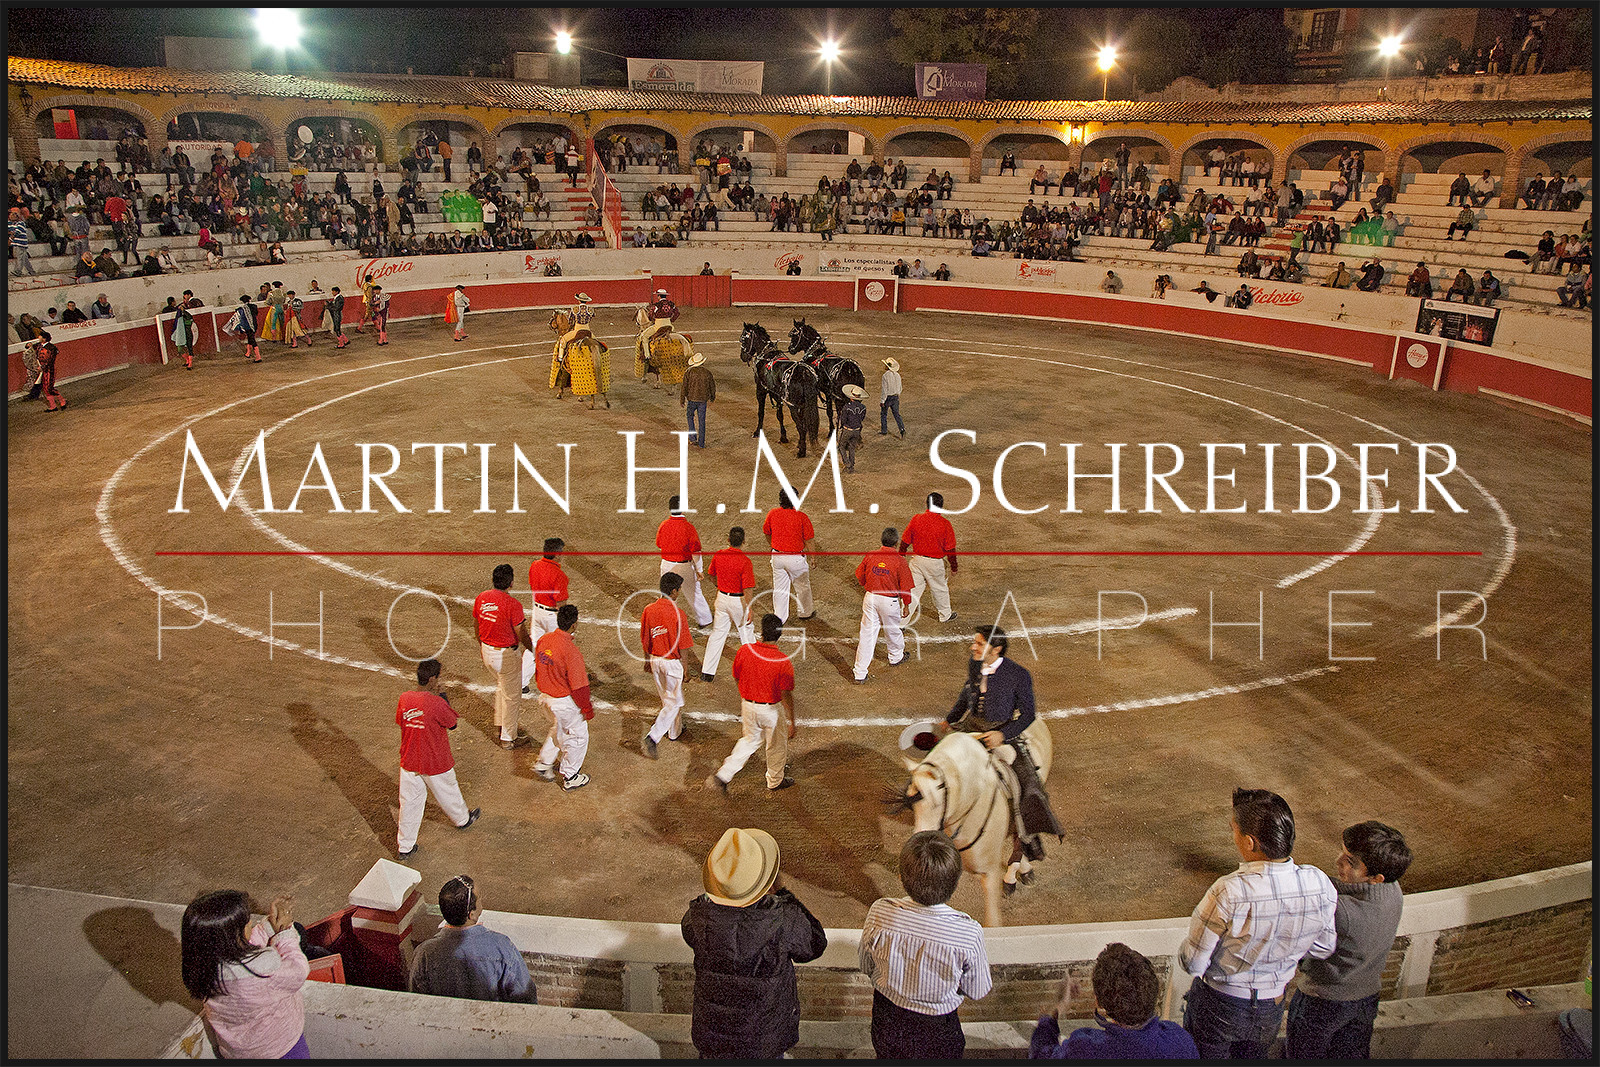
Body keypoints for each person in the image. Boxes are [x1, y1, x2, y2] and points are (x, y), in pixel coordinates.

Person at [1177, 788, 1337, 1059]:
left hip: (1220, 1003)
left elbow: (1193, 963)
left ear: (1250, 842)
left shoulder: (1228, 891)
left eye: (1234, 830)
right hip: (1271, 1006)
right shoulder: (1319, 883)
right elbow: (1323, 947)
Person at [681, 827, 827, 1058]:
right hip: (763, 1043)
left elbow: (694, 930)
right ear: (765, 882)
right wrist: (783, 894)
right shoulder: (782, 919)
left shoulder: (697, 917)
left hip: (713, 1041)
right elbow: (815, 944)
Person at [1284, 822, 1412, 1060]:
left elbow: (1298, 949)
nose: (1338, 861)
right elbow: (1349, 889)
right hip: (1366, 999)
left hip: (1322, 1002)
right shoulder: (1392, 889)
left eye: (1350, 862)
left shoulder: (1340, 912)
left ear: (1376, 877)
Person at [860, 830, 992, 1059]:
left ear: (900, 878)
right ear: (956, 883)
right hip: (938, 1028)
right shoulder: (968, 933)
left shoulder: (879, 912)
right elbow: (977, 990)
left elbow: (866, 964)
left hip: (888, 1019)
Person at [938, 625, 1061, 858]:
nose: (973, 647)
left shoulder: (1019, 675)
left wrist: (1002, 735)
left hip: (1000, 732)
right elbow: (967, 693)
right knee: (938, 761)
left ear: (996, 649)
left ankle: (1027, 840)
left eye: (979, 643)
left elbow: (1028, 715)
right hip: (971, 727)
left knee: (1028, 785)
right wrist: (951, 719)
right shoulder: (975, 663)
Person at [181, 890, 311, 1059]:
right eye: (247, 923)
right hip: (280, 1048)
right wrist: (284, 933)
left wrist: (270, 926)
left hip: (238, 1053)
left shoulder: (203, 966)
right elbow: (298, 970)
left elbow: (242, 946)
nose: (251, 924)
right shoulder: (262, 969)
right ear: (234, 935)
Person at [1030, 943, 1198, 1059]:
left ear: (1098, 1002)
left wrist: (1055, 1010)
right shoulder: (1180, 1042)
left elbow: (1039, 1055)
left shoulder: (1082, 1049)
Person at [395, 658, 481, 859]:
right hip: (434, 760)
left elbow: (401, 721)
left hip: (409, 760)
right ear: (432, 679)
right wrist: (442, 695)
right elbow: (452, 724)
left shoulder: (404, 698)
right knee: (449, 792)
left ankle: (405, 847)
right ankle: (462, 820)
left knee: (409, 803)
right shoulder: (436, 703)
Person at [409, 875, 536, 1004]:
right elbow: (526, 999)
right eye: (479, 899)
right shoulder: (502, 947)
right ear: (472, 914)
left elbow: (418, 1002)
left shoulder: (423, 953)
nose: (481, 902)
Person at [706, 613, 796, 793]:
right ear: (779, 635)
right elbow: (786, 694)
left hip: (748, 705)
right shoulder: (782, 661)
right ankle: (774, 781)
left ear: (762, 632)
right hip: (771, 711)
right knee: (777, 745)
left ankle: (724, 774)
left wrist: (746, 695)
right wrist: (792, 720)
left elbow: (737, 677)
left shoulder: (745, 651)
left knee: (749, 741)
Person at [532, 604, 593, 791]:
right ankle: (571, 776)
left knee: (559, 728)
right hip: (562, 702)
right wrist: (587, 709)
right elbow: (579, 687)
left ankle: (544, 763)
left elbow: (537, 667)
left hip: (545, 698)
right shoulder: (571, 651)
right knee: (578, 736)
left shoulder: (544, 640)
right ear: (574, 625)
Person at [473, 563, 534, 751]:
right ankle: (508, 738)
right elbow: (521, 633)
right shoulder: (513, 605)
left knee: (502, 688)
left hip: (487, 651)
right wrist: (533, 649)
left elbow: (476, 623)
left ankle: (501, 725)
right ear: (511, 583)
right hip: (506, 656)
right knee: (512, 697)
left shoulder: (482, 598)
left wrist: (482, 644)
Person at [641, 572, 694, 759]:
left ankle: (674, 732)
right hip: (672, 664)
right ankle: (653, 736)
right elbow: (684, 646)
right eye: (678, 590)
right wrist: (685, 669)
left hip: (656, 661)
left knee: (667, 699)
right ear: (673, 591)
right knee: (674, 702)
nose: (679, 592)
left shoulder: (649, 610)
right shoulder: (679, 614)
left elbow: (645, 639)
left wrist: (647, 661)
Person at [851, 527, 912, 684]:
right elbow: (905, 586)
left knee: (866, 635)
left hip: (870, 598)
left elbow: (860, 575)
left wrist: (869, 586)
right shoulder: (899, 560)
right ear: (896, 543)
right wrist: (906, 605)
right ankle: (895, 657)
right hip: (889, 602)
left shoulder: (871, 555)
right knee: (893, 631)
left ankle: (859, 672)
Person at [701, 527, 757, 682]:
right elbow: (747, 588)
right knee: (746, 633)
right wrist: (749, 607)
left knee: (717, 634)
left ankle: (707, 672)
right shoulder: (745, 561)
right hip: (738, 601)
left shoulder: (719, 555)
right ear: (743, 541)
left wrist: (719, 586)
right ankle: (753, 670)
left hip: (721, 598)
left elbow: (711, 575)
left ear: (728, 540)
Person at [899, 493, 959, 624]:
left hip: (917, 561)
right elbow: (950, 550)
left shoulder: (916, 519)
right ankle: (945, 615)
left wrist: (901, 555)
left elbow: (905, 540)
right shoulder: (945, 524)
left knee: (912, 591)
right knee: (940, 589)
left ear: (927, 504)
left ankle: (901, 622)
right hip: (935, 564)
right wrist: (954, 567)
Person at [656, 495, 713, 627]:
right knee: (694, 593)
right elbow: (696, 551)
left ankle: (668, 621)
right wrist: (699, 570)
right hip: (684, 566)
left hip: (667, 565)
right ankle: (704, 619)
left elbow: (659, 544)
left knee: (667, 594)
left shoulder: (663, 525)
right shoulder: (688, 527)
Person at [762, 491, 816, 623]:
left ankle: (780, 617)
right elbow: (809, 540)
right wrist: (813, 557)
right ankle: (805, 612)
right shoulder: (801, 517)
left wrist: (773, 545)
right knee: (802, 586)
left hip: (777, 557)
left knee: (780, 588)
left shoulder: (772, 513)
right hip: (795, 559)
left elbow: (767, 532)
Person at [681, 352, 715, 449]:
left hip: (691, 399)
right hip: (703, 400)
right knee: (702, 421)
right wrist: (712, 397)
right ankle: (701, 443)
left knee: (690, 416)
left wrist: (682, 399)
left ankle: (692, 438)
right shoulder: (707, 373)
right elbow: (712, 386)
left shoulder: (689, 372)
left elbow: (684, 387)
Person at [32, 332, 67, 412]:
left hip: (49, 369)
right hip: (43, 369)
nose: (38, 337)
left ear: (44, 339)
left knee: (49, 388)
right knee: (45, 387)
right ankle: (53, 406)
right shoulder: (39, 346)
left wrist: (42, 367)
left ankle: (62, 401)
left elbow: (51, 360)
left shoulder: (52, 348)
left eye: (40, 336)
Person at [838, 384, 869, 473]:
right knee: (852, 447)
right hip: (857, 430)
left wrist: (842, 426)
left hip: (848, 429)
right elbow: (862, 418)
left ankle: (847, 463)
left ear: (851, 397)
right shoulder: (863, 407)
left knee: (841, 446)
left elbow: (843, 419)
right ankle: (851, 466)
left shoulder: (847, 407)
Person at [227, 295, 263, 363]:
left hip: (248, 326)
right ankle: (248, 353)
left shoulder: (242, 309)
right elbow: (256, 314)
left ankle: (258, 357)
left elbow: (242, 319)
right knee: (250, 338)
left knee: (252, 340)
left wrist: (241, 328)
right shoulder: (254, 306)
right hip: (254, 325)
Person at [878, 356, 905, 438]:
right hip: (896, 397)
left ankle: (884, 430)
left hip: (888, 398)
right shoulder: (898, 375)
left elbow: (885, 390)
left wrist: (882, 401)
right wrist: (897, 395)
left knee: (884, 414)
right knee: (897, 414)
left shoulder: (885, 376)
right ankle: (902, 429)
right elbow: (900, 388)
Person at [171, 305, 199, 370]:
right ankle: (187, 361)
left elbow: (190, 321)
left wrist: (183, 311)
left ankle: (190, 364)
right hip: (181, 335)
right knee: (180, 349)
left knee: (189, 348)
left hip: (188, 333)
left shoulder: (187, 315)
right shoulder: (180, 317)